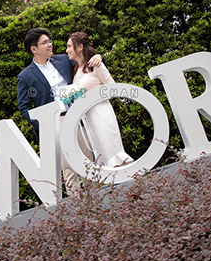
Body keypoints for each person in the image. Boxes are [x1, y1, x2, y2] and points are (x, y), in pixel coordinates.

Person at [16, 28, 101, 196]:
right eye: (45, 42)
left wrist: (97, 58)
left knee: (89, 160)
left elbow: (84, 63)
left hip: (78, 116)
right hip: (57, 122)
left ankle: (99, 201)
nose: (50, 44)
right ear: (34, 49)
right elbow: (24, 108)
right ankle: (78, 210)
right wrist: (44, 125)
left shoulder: (63, 60)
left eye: (50, 41)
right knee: (69, 166)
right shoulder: (25, 76)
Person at [65, 32, 133, 169]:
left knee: (112, 152)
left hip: (102, 114)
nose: (66, 50)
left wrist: (99, 58)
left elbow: (113, 88)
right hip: (89, 120)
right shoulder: (76, 71)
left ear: (79, 47)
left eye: (69, 46)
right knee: (102, 156)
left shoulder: (96, 65)